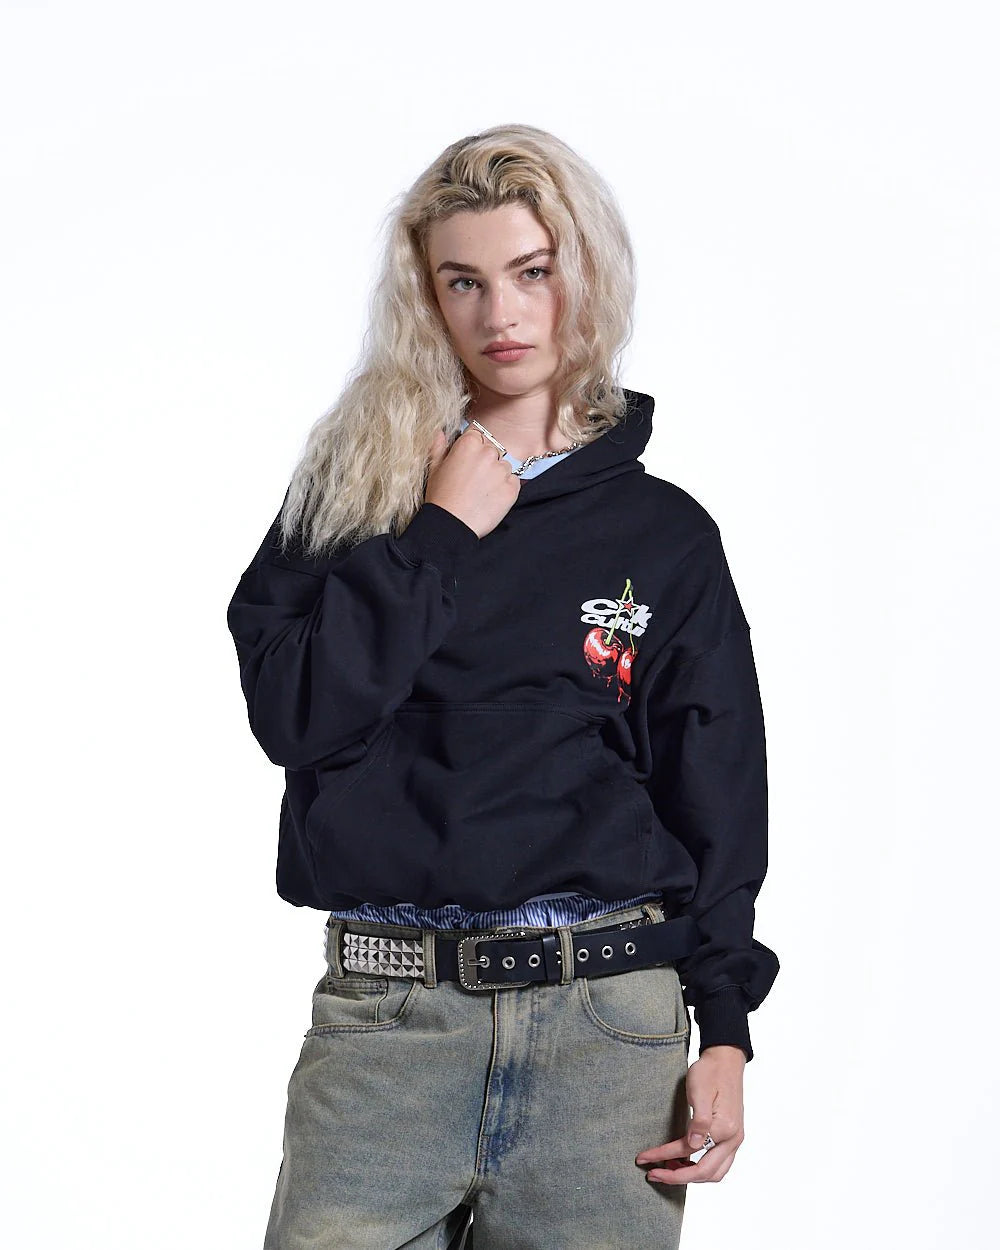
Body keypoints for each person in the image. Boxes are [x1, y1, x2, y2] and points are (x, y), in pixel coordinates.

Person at [226, 123, 780, 1250]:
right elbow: (294, 713)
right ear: (425, 298)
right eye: (463, 282)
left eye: (532, 271)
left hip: (606, 1032)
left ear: (586, 274)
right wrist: (435, 534)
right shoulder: (353, 496)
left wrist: (723, 1025)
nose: (501, 315)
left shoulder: (663, 534)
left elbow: (715, 784)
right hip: (388, 1023)